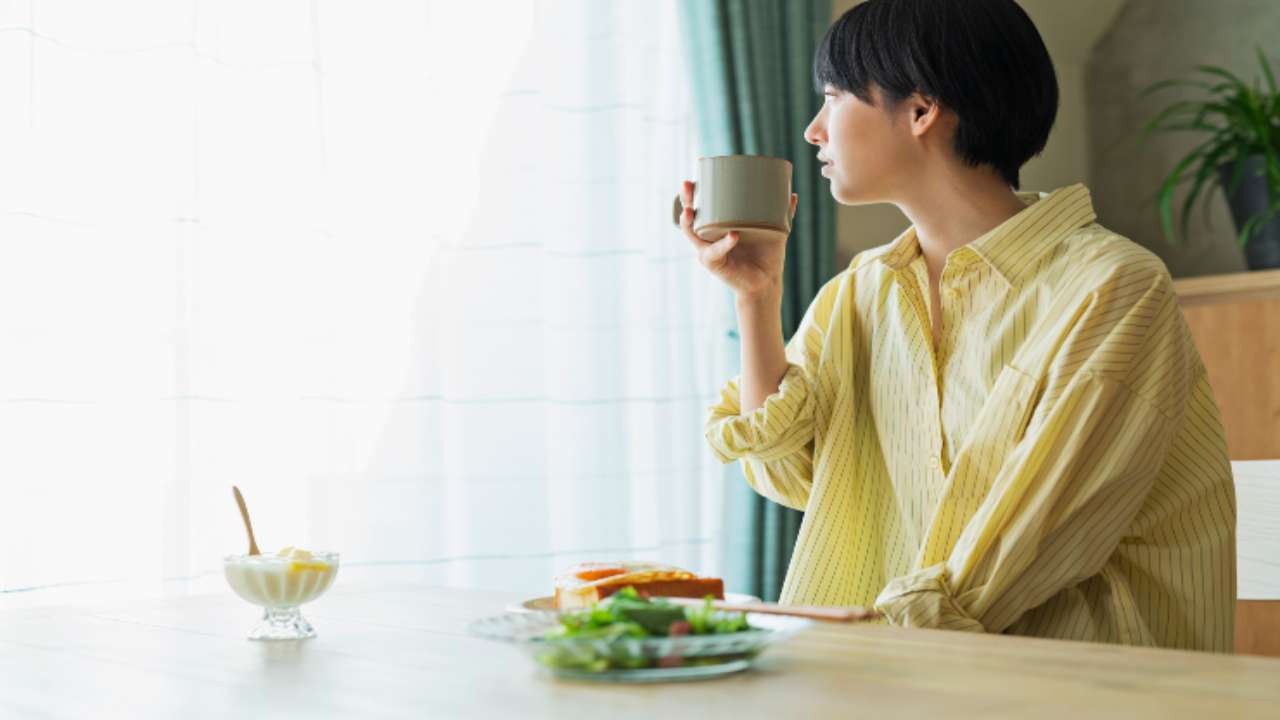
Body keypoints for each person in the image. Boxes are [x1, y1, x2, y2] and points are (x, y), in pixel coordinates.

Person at [680, 0, 1235, 651]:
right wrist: (756, 297)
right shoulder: (859, 294)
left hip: (1077, 686)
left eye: (834, 98)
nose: (813, 130)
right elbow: (793, 476)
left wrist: (842, 650)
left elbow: (1018, 552)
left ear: (920, 110)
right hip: (904, 676)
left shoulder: (1110, 288)